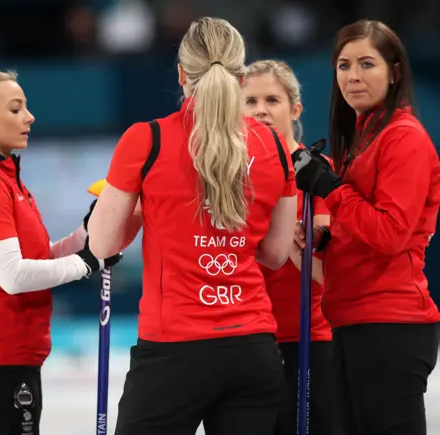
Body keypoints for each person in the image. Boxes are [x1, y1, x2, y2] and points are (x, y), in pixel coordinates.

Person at [87, 17, 297, 435]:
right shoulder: (274, 143)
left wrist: (151, 212)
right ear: (240, 78)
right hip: (252, 348)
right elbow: (275, 254)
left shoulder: (147, 139)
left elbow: (103, 244)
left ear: (182, 74)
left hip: (174, 351)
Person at [0, 69, 122, 435]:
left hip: (8, 358)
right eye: (16, 109)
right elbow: (14, 276)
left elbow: (39, 258)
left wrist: (89, 235)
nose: (29, 117)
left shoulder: (3, 176)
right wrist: (86, 264)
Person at [292, 20, 440, 435]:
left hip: (389, 324)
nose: (353, 76)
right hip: (356, 321)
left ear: (394, 71)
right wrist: (326, 238)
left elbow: (390, 232)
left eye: (366, 64)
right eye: (343, 65)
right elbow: (362, 225)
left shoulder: (402, 138)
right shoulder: (363, 138)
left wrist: (330, 188)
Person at [242, 59, 341, 435]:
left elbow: (332, 274)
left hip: (308, 340)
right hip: (245, 339)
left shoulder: (321, 174)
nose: (261, 110)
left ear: (295, 109)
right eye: (249, 101)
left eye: (272, 100)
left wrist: (301, 244)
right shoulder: (228, 178)